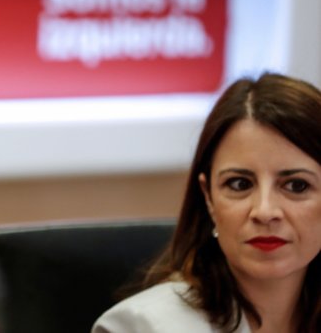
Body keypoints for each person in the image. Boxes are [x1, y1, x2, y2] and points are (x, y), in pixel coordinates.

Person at [92, 73, 320, 333]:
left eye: (297, 186)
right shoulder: (142, 327)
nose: (265, 211)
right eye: (240, 184)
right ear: (208, 197)